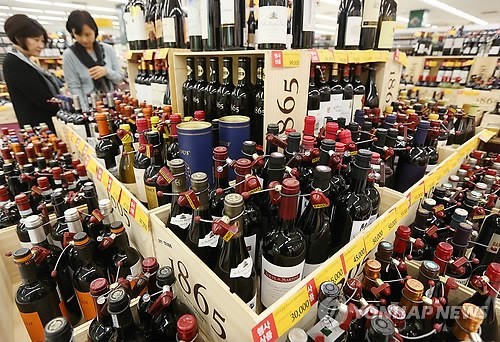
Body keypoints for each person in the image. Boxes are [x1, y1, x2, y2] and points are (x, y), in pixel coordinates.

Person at [3, 15, 60, 132]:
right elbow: (41, 98)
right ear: (18, 38)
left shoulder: (25, 60)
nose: (41, 45)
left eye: (42, 41)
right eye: (36, 40)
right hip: (39, 127)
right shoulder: (14, 63)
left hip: (44, 123)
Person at [63, 10, 124, 111]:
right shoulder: (69, 55)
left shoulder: (108, 50)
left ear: (95, 30)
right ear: (72, 34)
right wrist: (86, 112)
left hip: (113, 104)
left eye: (87, 34)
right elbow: (75, 88)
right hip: (91, 108)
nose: (84, 40)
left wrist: (106, 71)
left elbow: (119, 78)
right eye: (78, 35)